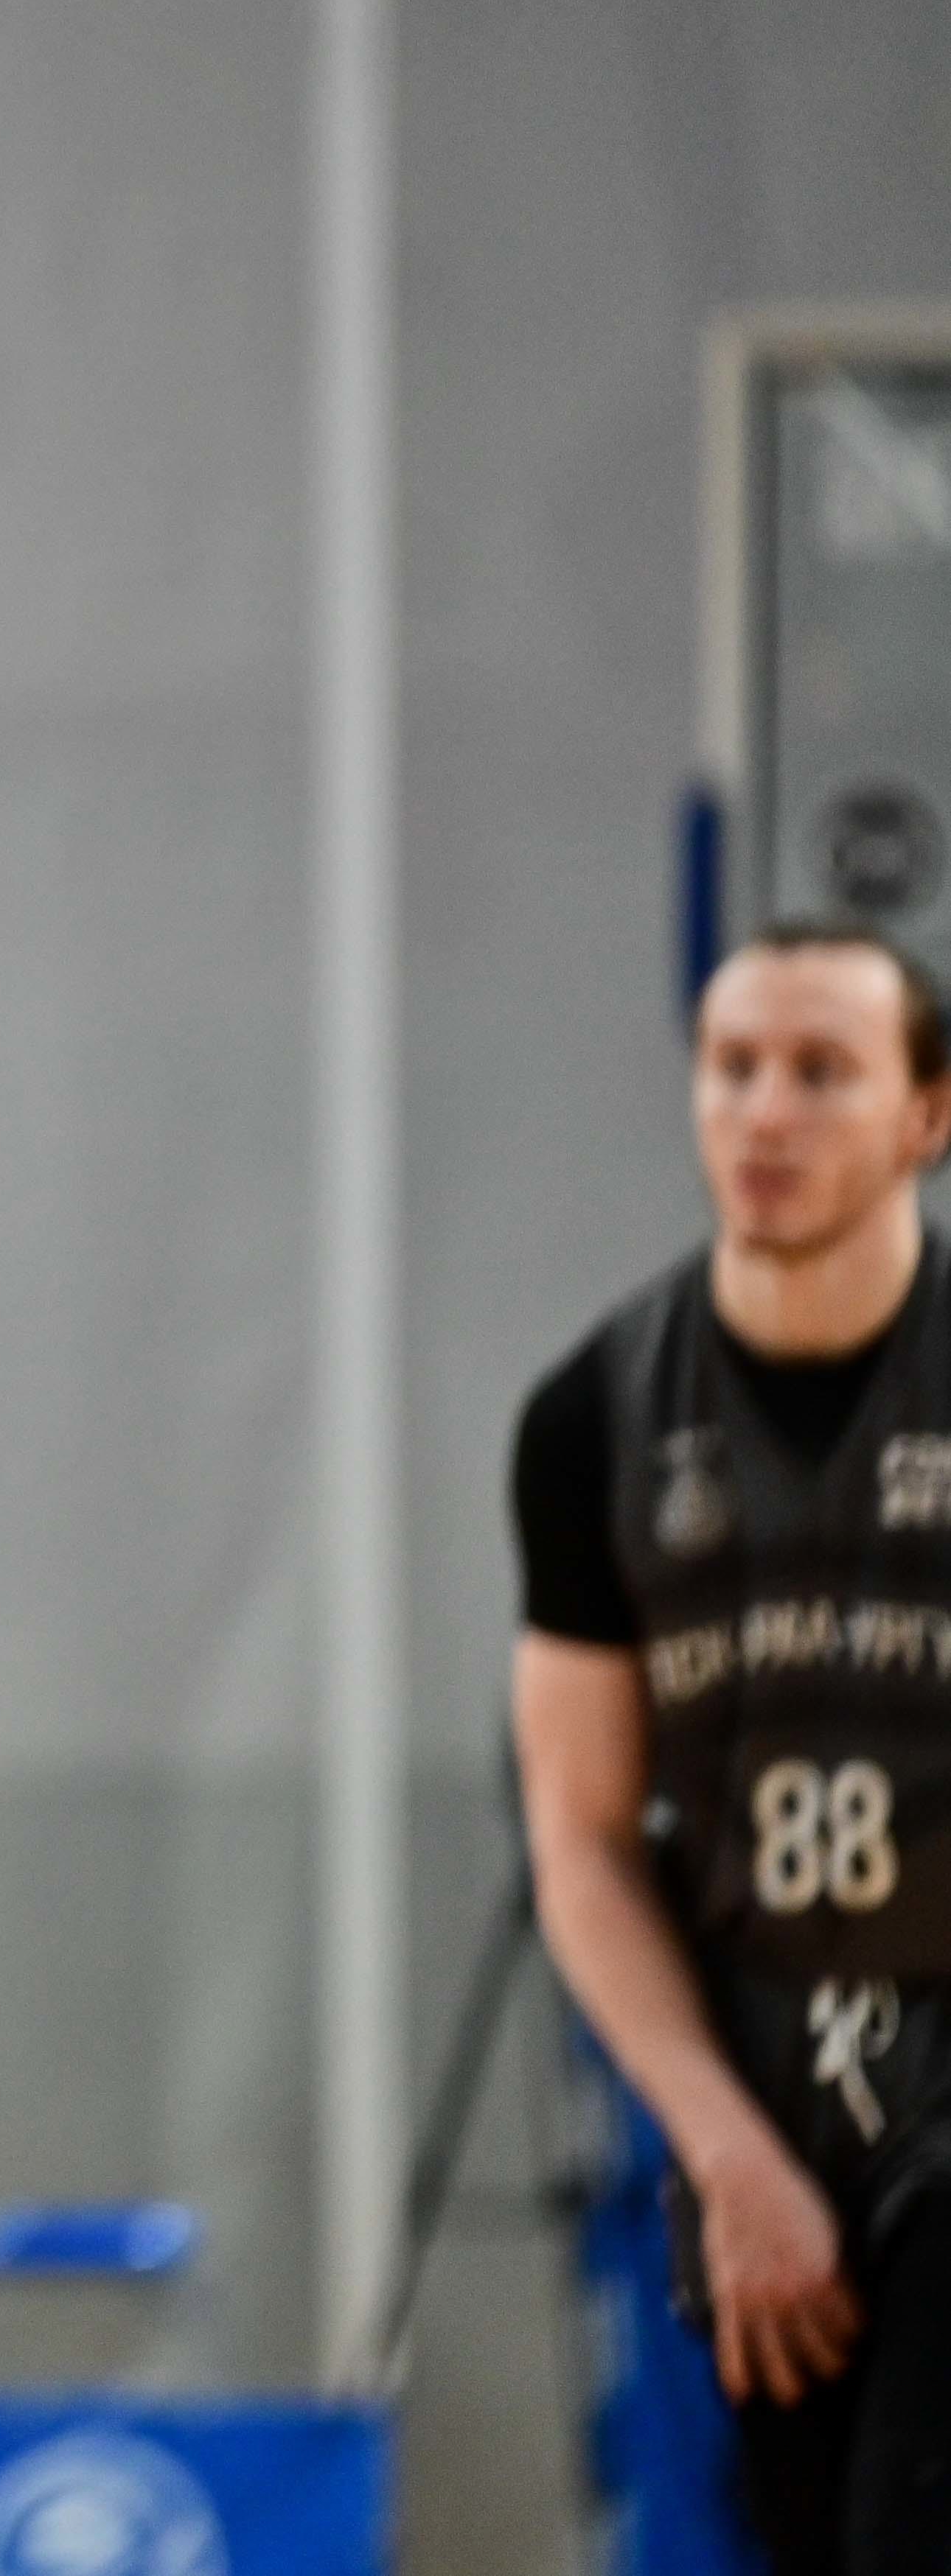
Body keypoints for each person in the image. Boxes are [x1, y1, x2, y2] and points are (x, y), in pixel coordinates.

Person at [513, 922, 951, 2571]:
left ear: (925, 1115)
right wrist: (716, 2140)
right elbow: (578, 1833)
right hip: (763, 2087)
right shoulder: (594, 1417)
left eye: (821, 1071)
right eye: (732, 1068)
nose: (764, 1111)